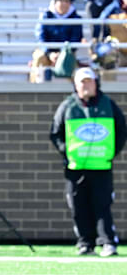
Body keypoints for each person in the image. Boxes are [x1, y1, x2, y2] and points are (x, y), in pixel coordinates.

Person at [50, 67, 126, 256]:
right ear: (75, 85)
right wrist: (67, 153)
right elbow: (55, 133)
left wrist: (111, 152)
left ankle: (107, 242)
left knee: (102, 206)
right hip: (75, 168)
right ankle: (85, 243)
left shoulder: (108, 105)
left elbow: (122, 131)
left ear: (95, 83)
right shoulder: (67, 106)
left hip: (101, 166)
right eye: (81, 82)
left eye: (89, 81)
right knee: (78, 207)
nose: (85, 85)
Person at [33, 0, 83, 67]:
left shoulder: (76, 18)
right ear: (55, 3)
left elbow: (76, 38)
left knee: (72, 65)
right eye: (61, 1)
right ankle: (36, 78)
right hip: (46, 51)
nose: (64, 4)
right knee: (39, 58)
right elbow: (40, 37)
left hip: (67, 52)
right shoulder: (45, 16)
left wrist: (62, 54)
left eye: (67, 1)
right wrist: (49, 53)